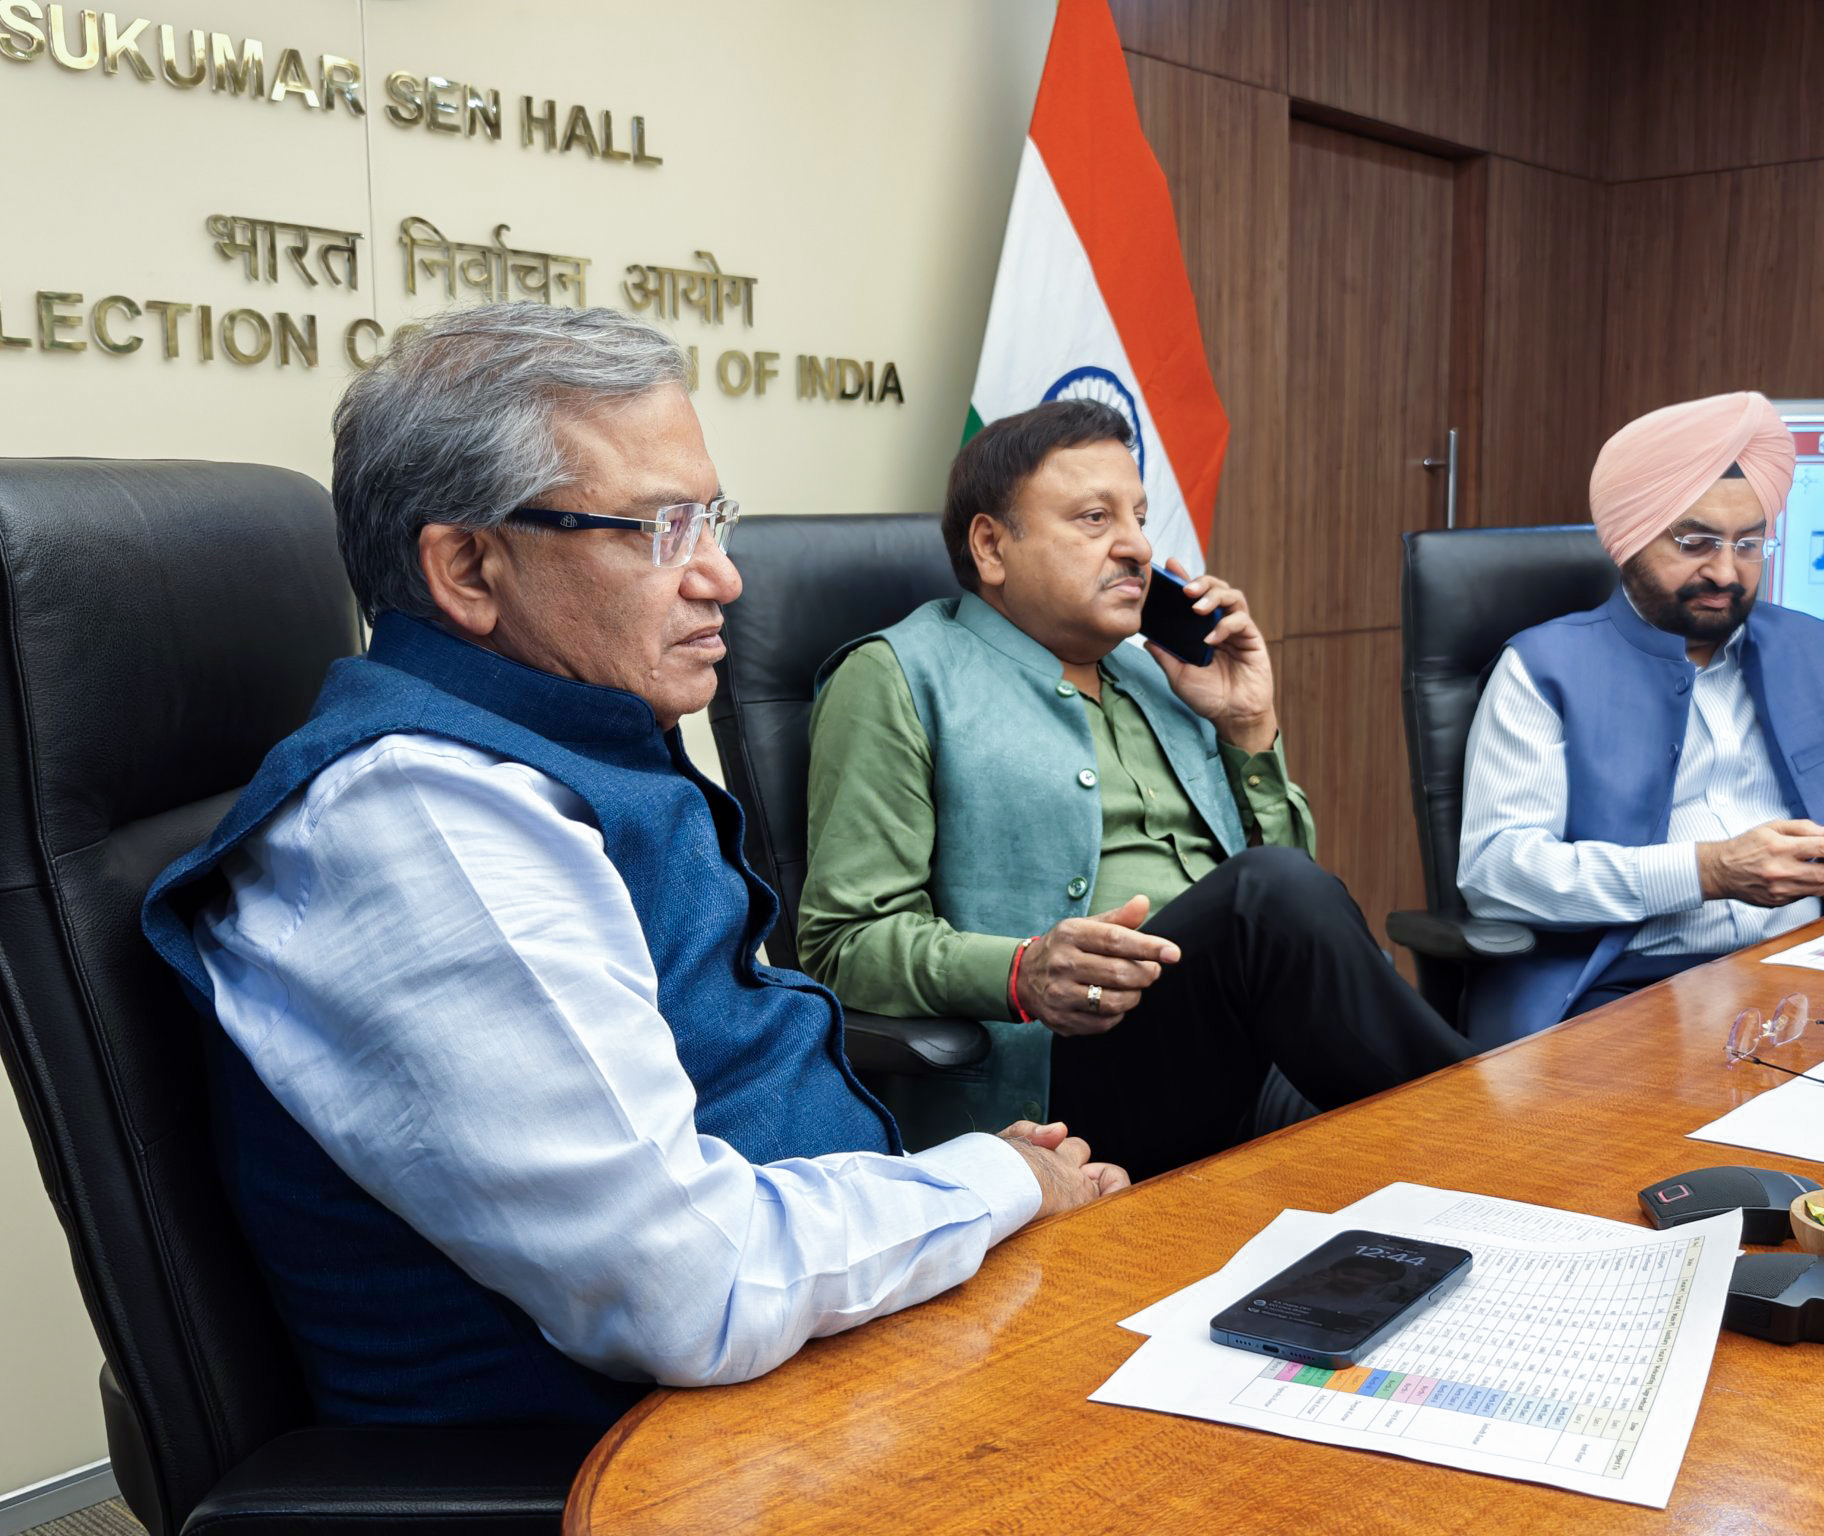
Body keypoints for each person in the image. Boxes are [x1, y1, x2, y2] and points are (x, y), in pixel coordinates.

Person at [139, 303, 1128, 1432]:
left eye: (713, 520)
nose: (723, 578)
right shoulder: (429, 823)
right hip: (625, 1459)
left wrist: (945, 1187)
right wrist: (994, 1184)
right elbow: (692, 1289)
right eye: (662, 530)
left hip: (792, 1380)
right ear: (468, 567)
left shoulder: (570, 737)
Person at [799, 400, 1470, 1179]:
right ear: (991, 546)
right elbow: (842, 944)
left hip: (1240, 1056)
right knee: (1272, 899)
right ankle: (1508, 1135)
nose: (1139, 547)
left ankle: (1497, 1144)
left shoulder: (1159, 673)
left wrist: (1248, 726)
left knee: (1379, 1113)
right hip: (1061, 1078)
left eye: (1140, 518)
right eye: (1095, 519)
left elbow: (1297, 915)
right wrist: (1022, 970)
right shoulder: (898, 675)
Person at [1458, 391, 1824, 1045]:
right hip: (1629, 986)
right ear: (1629, 538)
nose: (1725, 571)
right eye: (1695, 542)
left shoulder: (1822, 650)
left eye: (1748, 544)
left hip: (1821, 964)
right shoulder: (1541, 667)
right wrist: (1706, 871)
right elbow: (1498, 872)